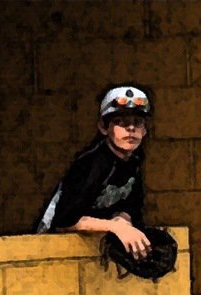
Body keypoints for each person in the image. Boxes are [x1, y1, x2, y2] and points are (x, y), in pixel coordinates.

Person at [35, 85, 153, 260]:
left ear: (144, 130)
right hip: (51, 251)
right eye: (120, 122)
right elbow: (65, 220)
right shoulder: (92, 163)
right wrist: (116, 227)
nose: (131, 129)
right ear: (104, 127)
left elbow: (131, 205)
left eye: (137, 122)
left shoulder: (133, 163)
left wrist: (122, 219)